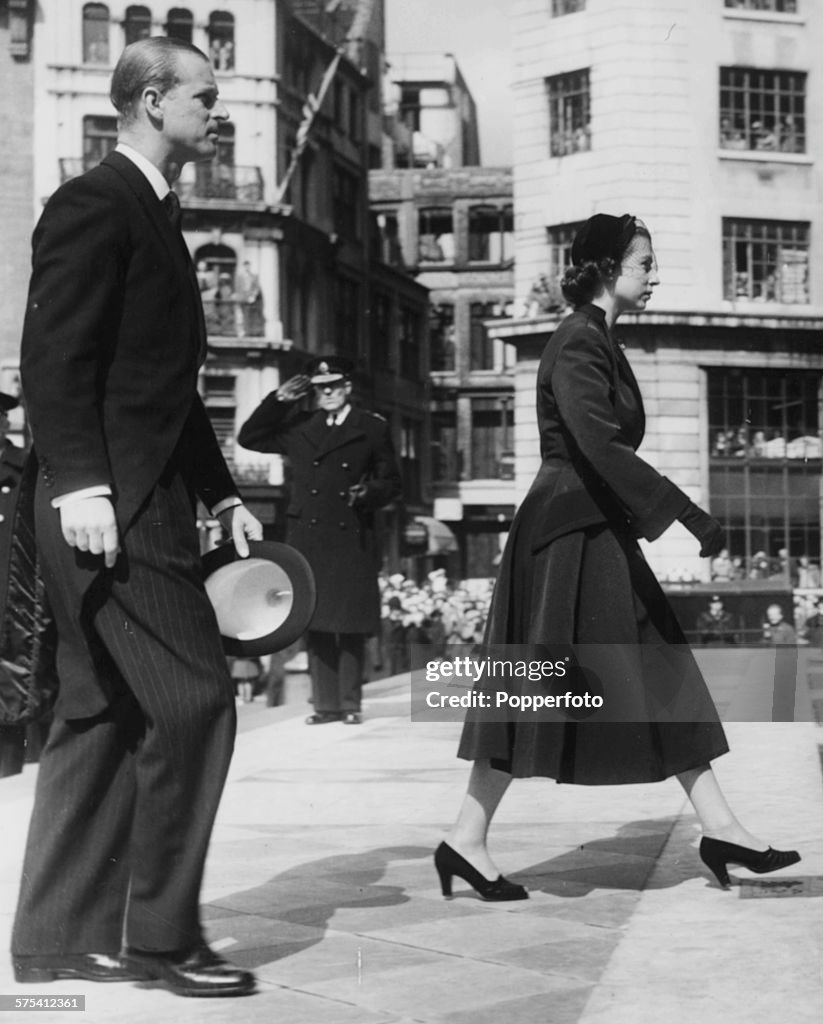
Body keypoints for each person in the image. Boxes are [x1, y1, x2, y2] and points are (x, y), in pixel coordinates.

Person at [436, 213, 799, 900]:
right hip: (567, 537)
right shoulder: (577, 340)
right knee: (540, 686)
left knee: (651, 669)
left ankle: (719, 826)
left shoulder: (597, 337)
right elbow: (600, 447)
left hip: (590, 529)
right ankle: (466, 839)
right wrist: (688, 515)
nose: (653, 274)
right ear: (605, 268)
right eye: (642, 263)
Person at [11, 37, 263, 996]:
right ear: (153, 101)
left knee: (100, 710)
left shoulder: (157, 214)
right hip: (109, 506)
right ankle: (160, 942)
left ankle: (56, 940)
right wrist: (80, 484)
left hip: (138, 493)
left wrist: (226, 494)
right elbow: (53, 357)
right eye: (205, 95)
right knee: (195, 702)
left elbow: (168, 392)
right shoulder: (95, 203)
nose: (218, 109)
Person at [238, 356, 402, 725]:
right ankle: (324, 705)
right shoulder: (300, 425)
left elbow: (393, 482)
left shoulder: (371, 428)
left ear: (347, 388)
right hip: (308, 535)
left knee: (349, 620)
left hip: (351, 531)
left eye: (333, 386)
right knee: (317, 620)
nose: (327, 393)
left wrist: (369, 493)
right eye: (320, 388)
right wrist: (278, 401)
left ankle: (349, 705)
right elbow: (249, 438)